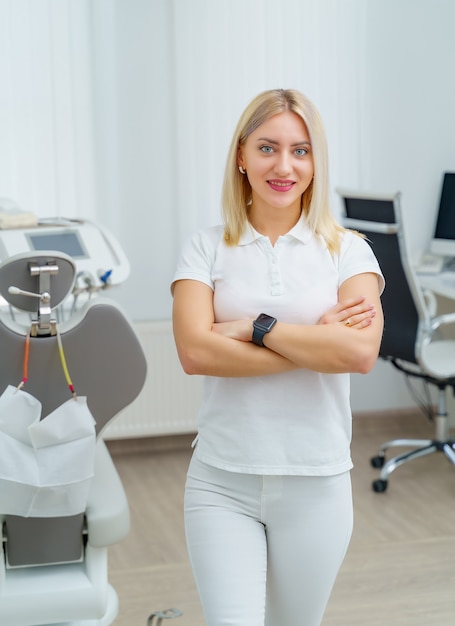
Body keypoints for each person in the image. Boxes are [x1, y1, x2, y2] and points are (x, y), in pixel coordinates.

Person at [171, 88, 384, 626]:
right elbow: (195, 351)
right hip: (222, 480)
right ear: (241, 155)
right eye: (268, 148)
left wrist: (254, 329)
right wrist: (312, 343)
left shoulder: (348, 251)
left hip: (317, 483)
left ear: (316, 161)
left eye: (301, 150)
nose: (284, 166)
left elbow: (358, 353)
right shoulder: (205, 247)